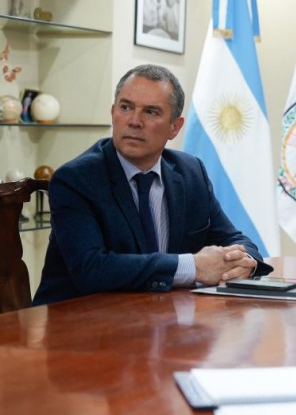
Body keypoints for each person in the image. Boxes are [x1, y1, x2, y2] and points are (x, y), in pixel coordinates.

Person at [33, 64, 272, 305]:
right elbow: (91, 270)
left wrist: (242, 265)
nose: (134, 121)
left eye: (151, 112)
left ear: (174, 127)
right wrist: (193, 266)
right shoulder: (76, 179)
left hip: (156, 318)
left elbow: (240, 242)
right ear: (113, 112)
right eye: (126, 107)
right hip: (74, 325)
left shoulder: (191, 173)